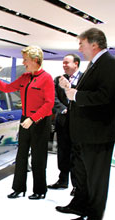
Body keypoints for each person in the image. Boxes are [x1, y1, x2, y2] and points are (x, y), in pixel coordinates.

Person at [57, 28, 115, 220]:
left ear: (94, 43)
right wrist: (70, 91)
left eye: (81, 44)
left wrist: (76, 96)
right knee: (81, 173)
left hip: (98, 134)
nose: (79, 48)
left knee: (96, 178)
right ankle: (79, 205)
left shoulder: (109, 63)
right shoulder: (95, 64)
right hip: (84, 132)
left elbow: (106, 97)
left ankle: (93, 215)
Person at [0, 45, 55, 200]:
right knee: (21, 155)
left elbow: (49, 104)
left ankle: (40, 190)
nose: (23, 63)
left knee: (38, 158)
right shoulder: (24, 77)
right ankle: (18, 188)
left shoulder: (47, 78)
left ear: (35, 60)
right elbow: (8, 88)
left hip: (40, 121)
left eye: (26, 60)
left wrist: (33, 119)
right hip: (25, 120)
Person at [48, 54, 82, 196]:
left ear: (76, 64)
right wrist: (62, 108)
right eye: (63, 63)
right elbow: (53, 97)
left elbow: (82, 95)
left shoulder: (84, 79)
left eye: (67, 63)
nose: (64, 65)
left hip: (79, 123)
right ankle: (62, 181)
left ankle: (77, 185)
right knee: (62, 152)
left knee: (76, 154)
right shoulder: (58, 79)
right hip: (62, 120)